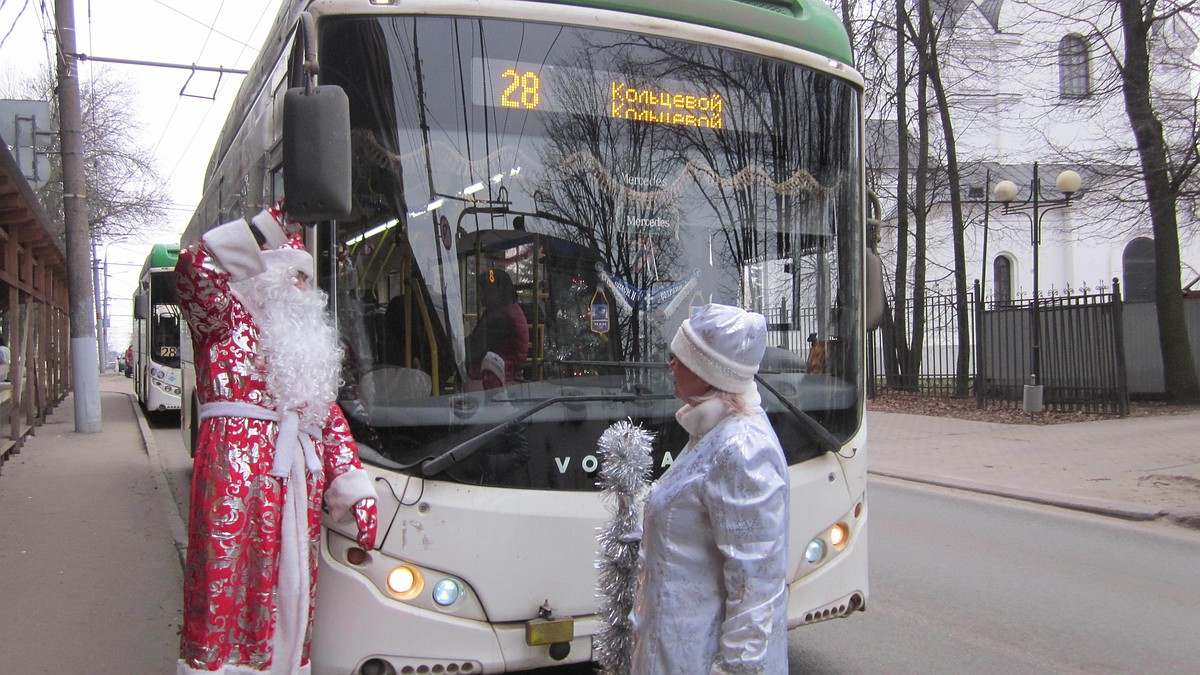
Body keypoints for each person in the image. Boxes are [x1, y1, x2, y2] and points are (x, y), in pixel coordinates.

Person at [175, 206, 378, 674]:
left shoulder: (305, 348)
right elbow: (193, 268)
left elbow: (328, 423)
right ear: (264, 278)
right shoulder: (222, 321)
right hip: (236, 490)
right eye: (295, 278)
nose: (304, 290)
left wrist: (354, 488)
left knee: (288, 604)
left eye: (307, 282)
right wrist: (264, 227)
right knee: (227, 600)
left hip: (295, 497)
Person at [631, 303, 790, 674]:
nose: (671, 365)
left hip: (694, 661)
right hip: (673, 653)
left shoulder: (741, 449)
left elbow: (756, 590)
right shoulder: (712, 431)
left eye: (681, 357)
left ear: (707, 372)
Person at [465, 267, 529, 387]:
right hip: (506, 378)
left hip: (491, 383)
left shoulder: (500, 318)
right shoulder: (511, 310)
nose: (480, 296)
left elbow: (474, 350)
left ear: (495, 293)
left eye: (483, 291)